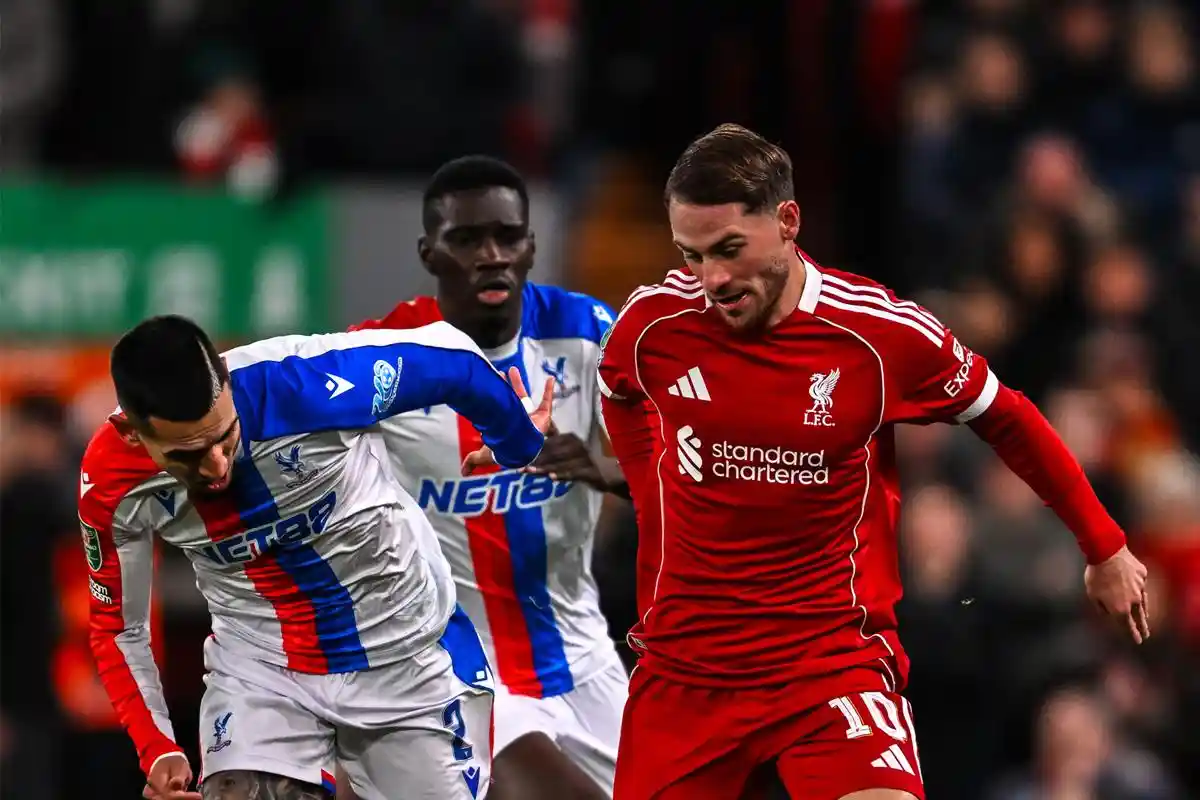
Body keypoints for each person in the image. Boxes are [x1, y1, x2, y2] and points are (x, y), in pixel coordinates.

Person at [596, 123, 1151, 800]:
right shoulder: (654, 326)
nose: (711, 279)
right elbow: (619, 390)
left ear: (788, 221)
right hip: (688, 670)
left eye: (729, 250)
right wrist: (656, 503)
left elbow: (1005, 416)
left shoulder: (878, 335)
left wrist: (1104, 545)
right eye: (691, 256)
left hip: (827, 662)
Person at [80, 314, 554, 800]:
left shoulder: (304, 382)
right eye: (188, 455)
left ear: (226, 382)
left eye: (225, 437)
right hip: (262, 666)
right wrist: (156, 746)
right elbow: (119, 627)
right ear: (134, 434)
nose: (217, 466)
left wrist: (516, 443)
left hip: (405, 652)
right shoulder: (111, 486)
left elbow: (456, 363)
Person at [347, 155, 628, 800]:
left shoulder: (590, 334)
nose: (492, 255)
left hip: (585, 661)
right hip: (465, 672)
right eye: (467, 239)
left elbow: (688, 475)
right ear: (429, 253)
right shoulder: (382, 357)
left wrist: (604, 472)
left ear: (532, 244)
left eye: (508, 236)